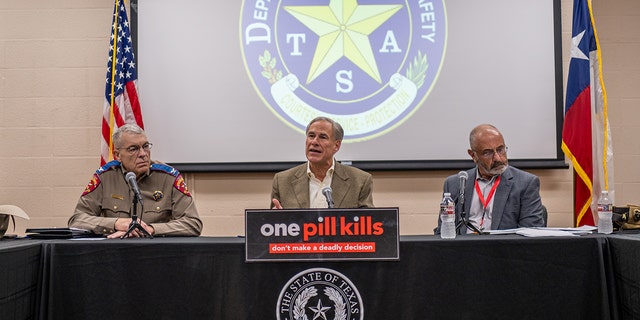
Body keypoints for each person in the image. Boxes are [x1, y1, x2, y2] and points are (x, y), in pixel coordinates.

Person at [69, 124, 202, 238]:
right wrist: (115, 223)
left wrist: (150, 229)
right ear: (118, 155)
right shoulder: (105, 177)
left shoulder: (168, 177)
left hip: (156, 253)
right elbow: (77, 220)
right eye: (133, 149)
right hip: (114, 252)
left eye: (145, 146)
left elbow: (192, 223)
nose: (143, 154)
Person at [435, 124, 545, 234]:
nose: (498, 158)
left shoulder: (526, 183)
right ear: (473, 155)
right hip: (463, 249)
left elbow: (531, 233)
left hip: (502, 249)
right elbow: (443, 231)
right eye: (488, 152)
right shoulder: (455, 184)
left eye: (500, 149)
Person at [271, 116, 374, 209]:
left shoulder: (360, 181)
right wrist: (278, 219)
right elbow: (270, 224)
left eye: (322, 137)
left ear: (336, 145)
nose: (314, 142)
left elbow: (369, 223)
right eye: (311, 136)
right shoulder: (282, 181)